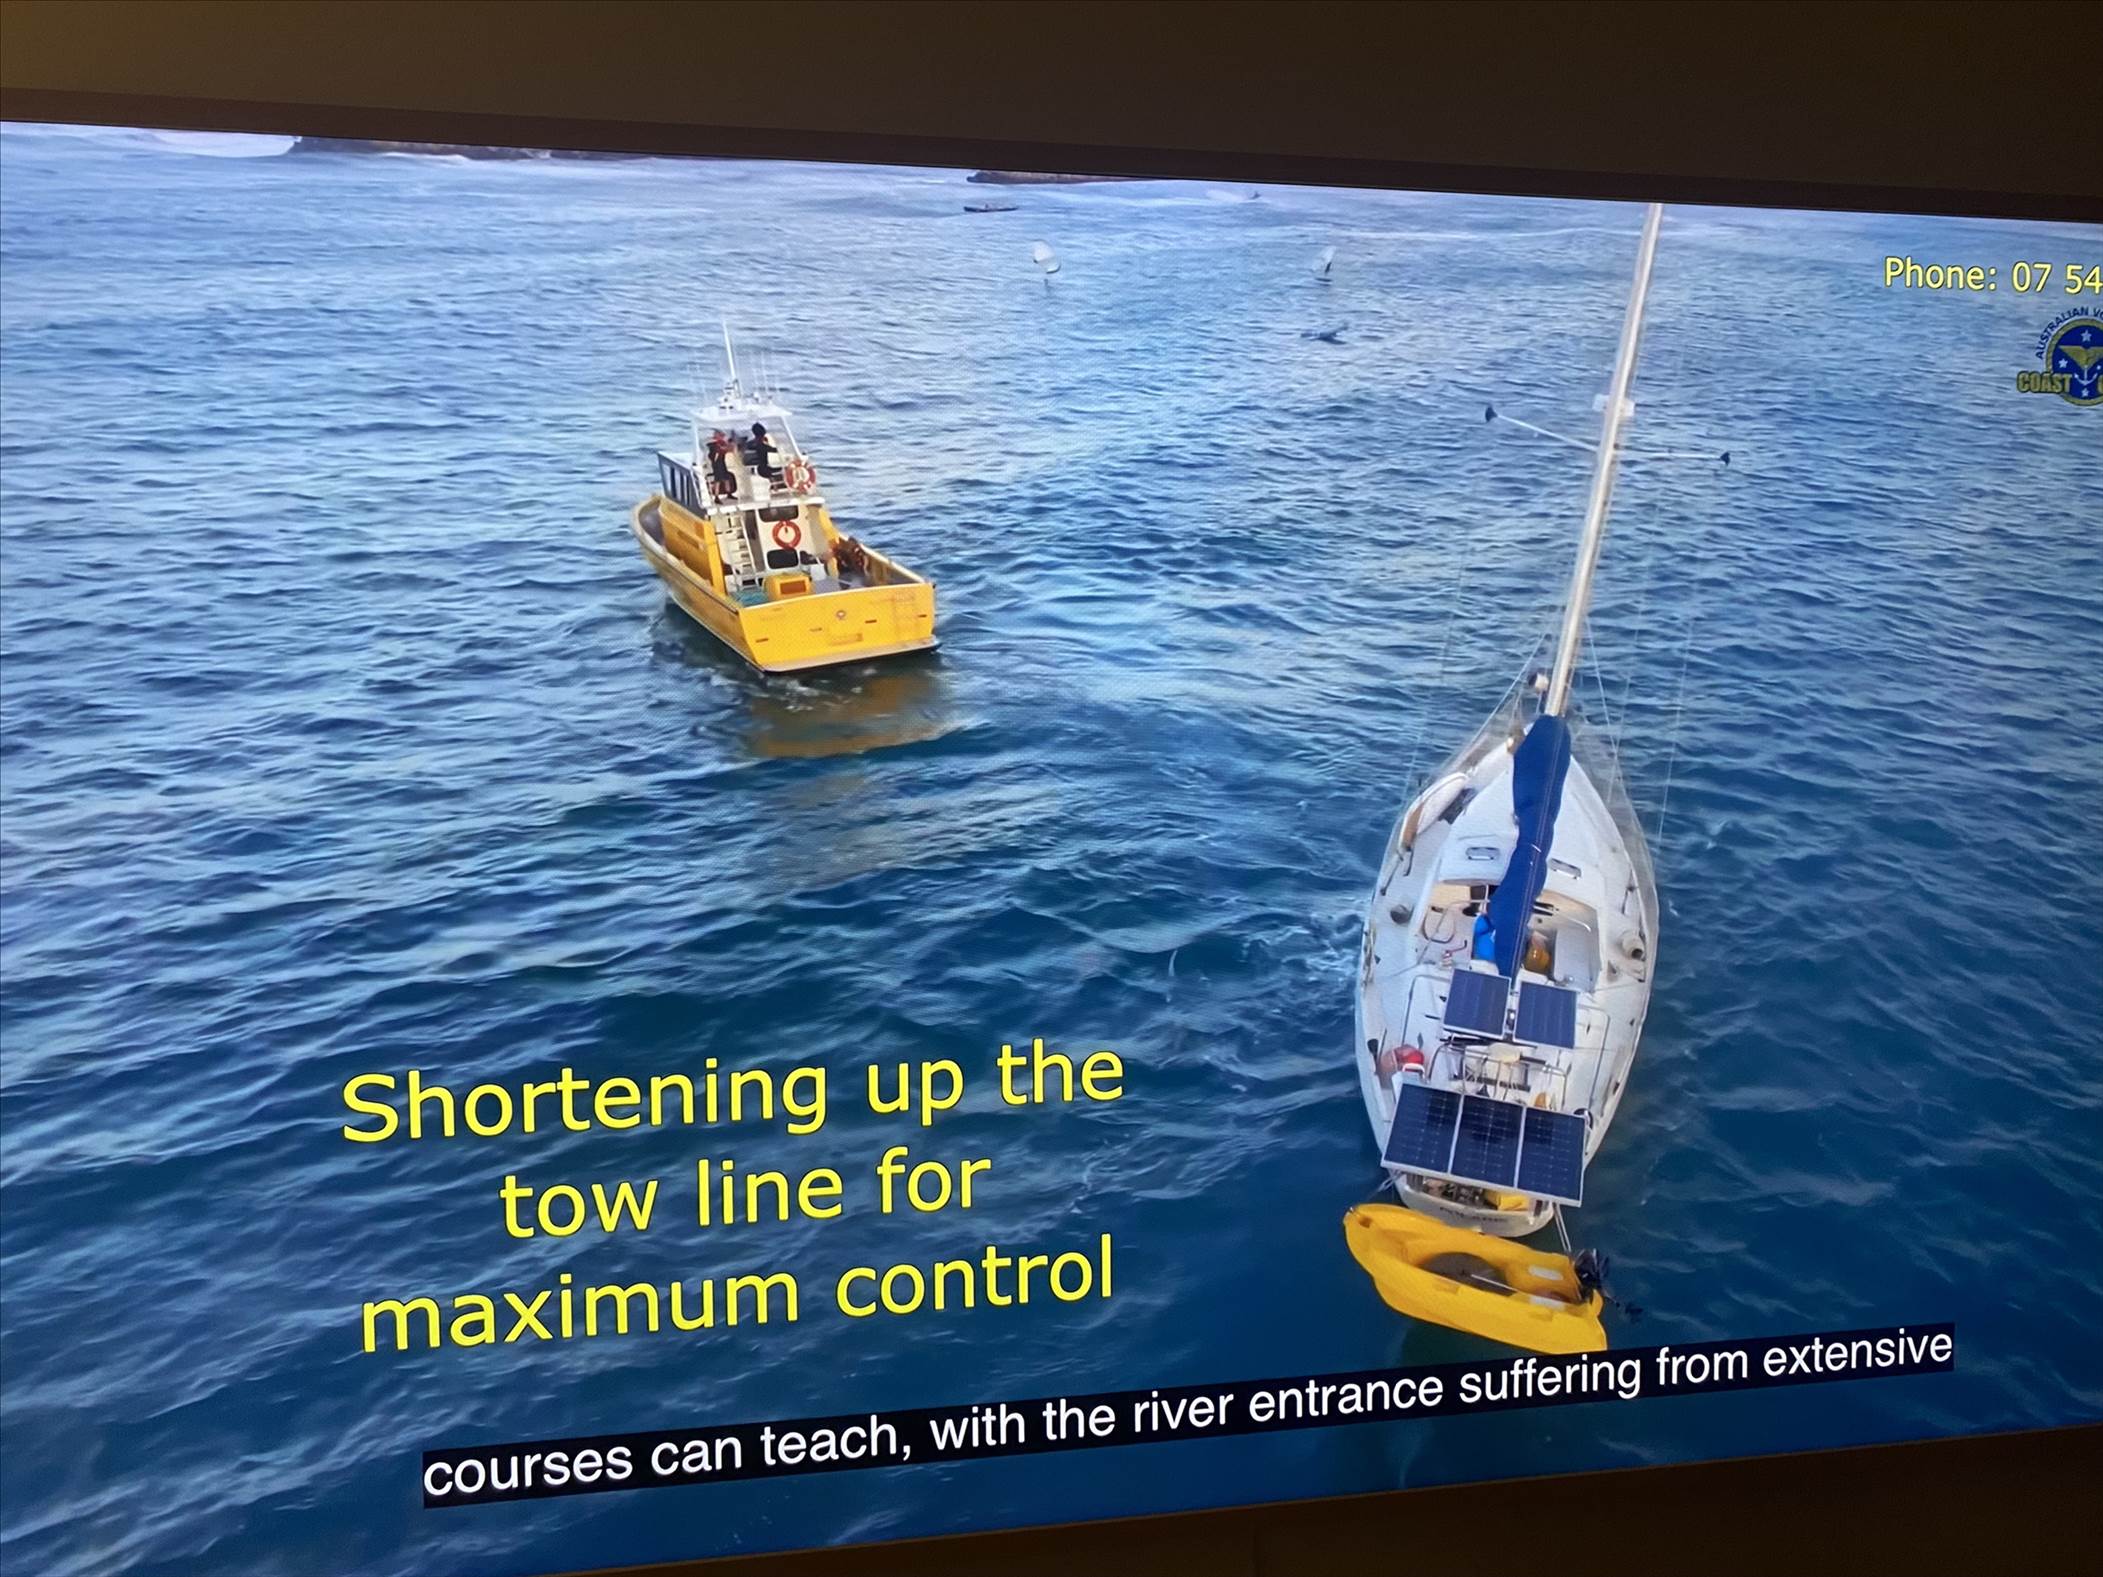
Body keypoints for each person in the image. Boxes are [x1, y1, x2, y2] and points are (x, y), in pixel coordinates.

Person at [705, 431, 735, 498]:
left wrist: (729, 445)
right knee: (718, 480)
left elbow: (726, 449)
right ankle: (716, 496)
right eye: (721, 436)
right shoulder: (715, 444)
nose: (723, 437)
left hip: (721, 462)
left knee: (726, 478)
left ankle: (729, 493)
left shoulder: (722, 443)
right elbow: (721, 450)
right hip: (717, 464)